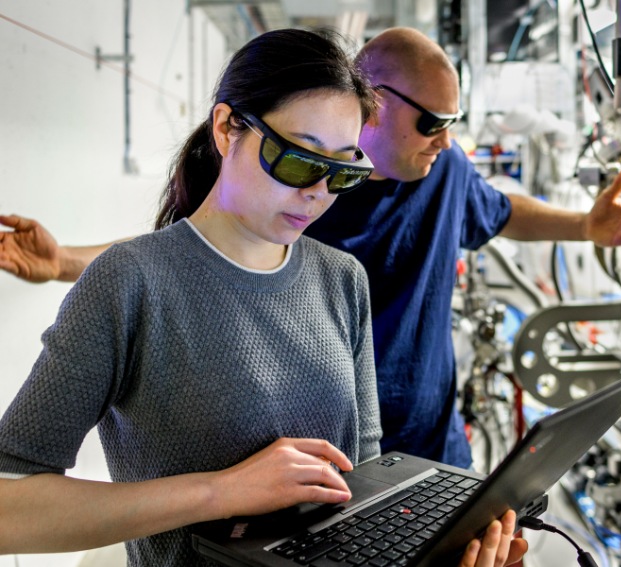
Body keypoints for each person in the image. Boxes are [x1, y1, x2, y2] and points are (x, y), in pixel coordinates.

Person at [0, 27, 621, 470]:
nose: (316, 194)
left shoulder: (423, 186)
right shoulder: (278, 212)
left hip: (416, 456)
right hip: (306, 465)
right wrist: (65, 264)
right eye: (432, 123)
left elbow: (499, 214)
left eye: (341, 172)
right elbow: (178, 259)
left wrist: (585, 226)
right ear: (376, 105)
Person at [0, 29, 526, 567]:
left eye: (343, 172)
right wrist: (220, 491)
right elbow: (7, 506)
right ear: (229, 129)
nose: (318, 192)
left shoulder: (342, 280)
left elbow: (361, 489)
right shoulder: (129, 283)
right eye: (300, 161)